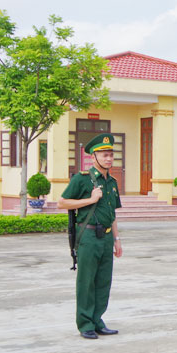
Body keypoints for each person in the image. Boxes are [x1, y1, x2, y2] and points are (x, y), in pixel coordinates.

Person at [57, 133, 123, 340]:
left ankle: (97, 320)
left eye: (111, 154)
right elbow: (62, 202)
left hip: (105, 238)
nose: (108, 158)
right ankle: (85, 323)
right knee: (86, 281)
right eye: (103, 154)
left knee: (103, 281)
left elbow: (112, 214)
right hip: (88, 236)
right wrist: (90, 199)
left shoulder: (111, 182)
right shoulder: (82, 179)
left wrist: (117, 239)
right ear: (93, 157)